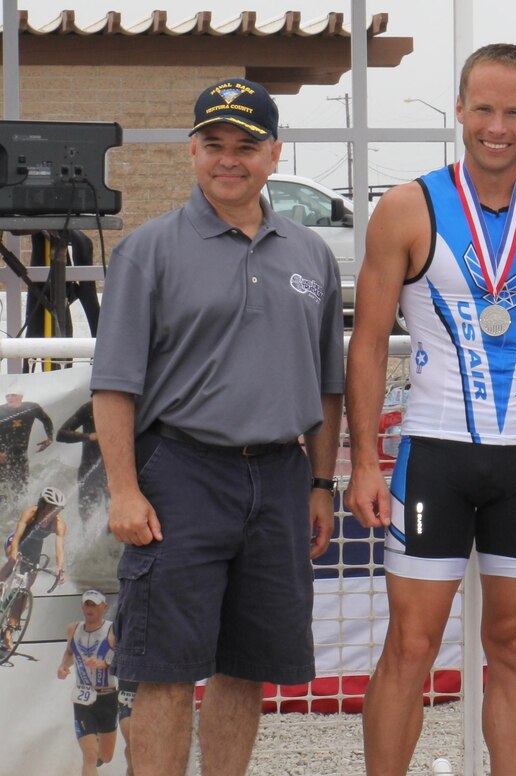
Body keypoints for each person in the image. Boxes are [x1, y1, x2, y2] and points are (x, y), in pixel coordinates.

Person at [345, 43, 516, 776]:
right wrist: (367, 461)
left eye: (514, 112)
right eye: (483, 109)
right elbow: (369, 344)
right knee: (409, 648)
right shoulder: (407, 206)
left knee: (515, 649)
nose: (496, 127)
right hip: (433, 455)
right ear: (460, 110)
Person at [91, 78, 345, 776]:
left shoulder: (311, 256)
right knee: (166, 671)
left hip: (281, 475)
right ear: (192, 150)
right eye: (214, 145)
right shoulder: (148, 251)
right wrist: (122, 489)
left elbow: (329, 385)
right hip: (181, 475)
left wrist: (322, 483)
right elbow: (114, 384)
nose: (228, 160)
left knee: (246, 667)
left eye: (246, 146)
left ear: (274, 154)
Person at [59, 589, 119, 776]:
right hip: (83, 699)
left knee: (106, 756)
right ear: (82, 606)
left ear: (104, 607)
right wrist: (63, 666)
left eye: (94, 605)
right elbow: (70, 652)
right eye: (87, 604)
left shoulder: (112, 630)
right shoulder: (73, 629)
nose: (89, 609)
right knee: (90, 755)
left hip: (107, 697)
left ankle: (100, 747)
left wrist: (104, 664)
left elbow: (123, 659)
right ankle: (93, 752)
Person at [1, 486, 68, 647]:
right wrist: (14, 552)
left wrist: (60, 568)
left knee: (26, 588)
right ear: (42, 504)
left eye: (56, 509)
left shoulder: (59, 524)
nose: (51, 512)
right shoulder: (31, 513)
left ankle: (9, 629)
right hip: (18, 541)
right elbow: (17, 536)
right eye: (49, 507)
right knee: (12, 560)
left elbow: (59, 549)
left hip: (34, 549)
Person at [0, 389, 55, 511]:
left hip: (20, 455)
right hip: (2, 457)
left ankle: (17, 518)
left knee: (21, 489)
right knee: (2, 491)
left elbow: (46, 420)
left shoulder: (31, 408)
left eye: (13, 395)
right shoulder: (1, 410)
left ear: (21, 396)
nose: (10, 398)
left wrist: (49, 437)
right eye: (7, 395)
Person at [55, 400, 109, 524]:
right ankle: (88, 540)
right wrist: (88, 436)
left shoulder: (127, 405)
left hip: (116, 471)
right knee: (87, 515)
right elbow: (61, 434)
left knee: (115, 514)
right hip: (89, 468)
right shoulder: (89, 408)